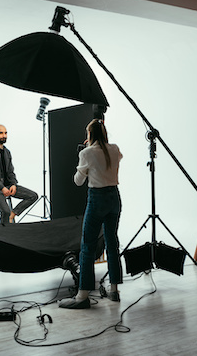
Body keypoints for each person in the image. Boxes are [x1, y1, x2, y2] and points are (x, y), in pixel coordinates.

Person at [59, 119, 123, 309]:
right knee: (112, 243)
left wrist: (82, 157)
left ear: (89, 135)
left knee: (87, 245)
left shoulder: (86, 153)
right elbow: (113, 160)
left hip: (97, 199)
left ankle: (82, 295)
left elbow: (78, 181)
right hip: (114, 198)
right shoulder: (115, 149)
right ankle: (114, 290)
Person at [0, 124, 38, 224]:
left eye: (5, 133)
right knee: (5, 212)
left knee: (33, 196)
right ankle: (5, 234)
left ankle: (13, 214)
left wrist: (13, 185)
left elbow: (11, 171)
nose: (4, 135)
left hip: (8, 186)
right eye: (1, 133)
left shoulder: (7, 152)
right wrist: (2, 188)